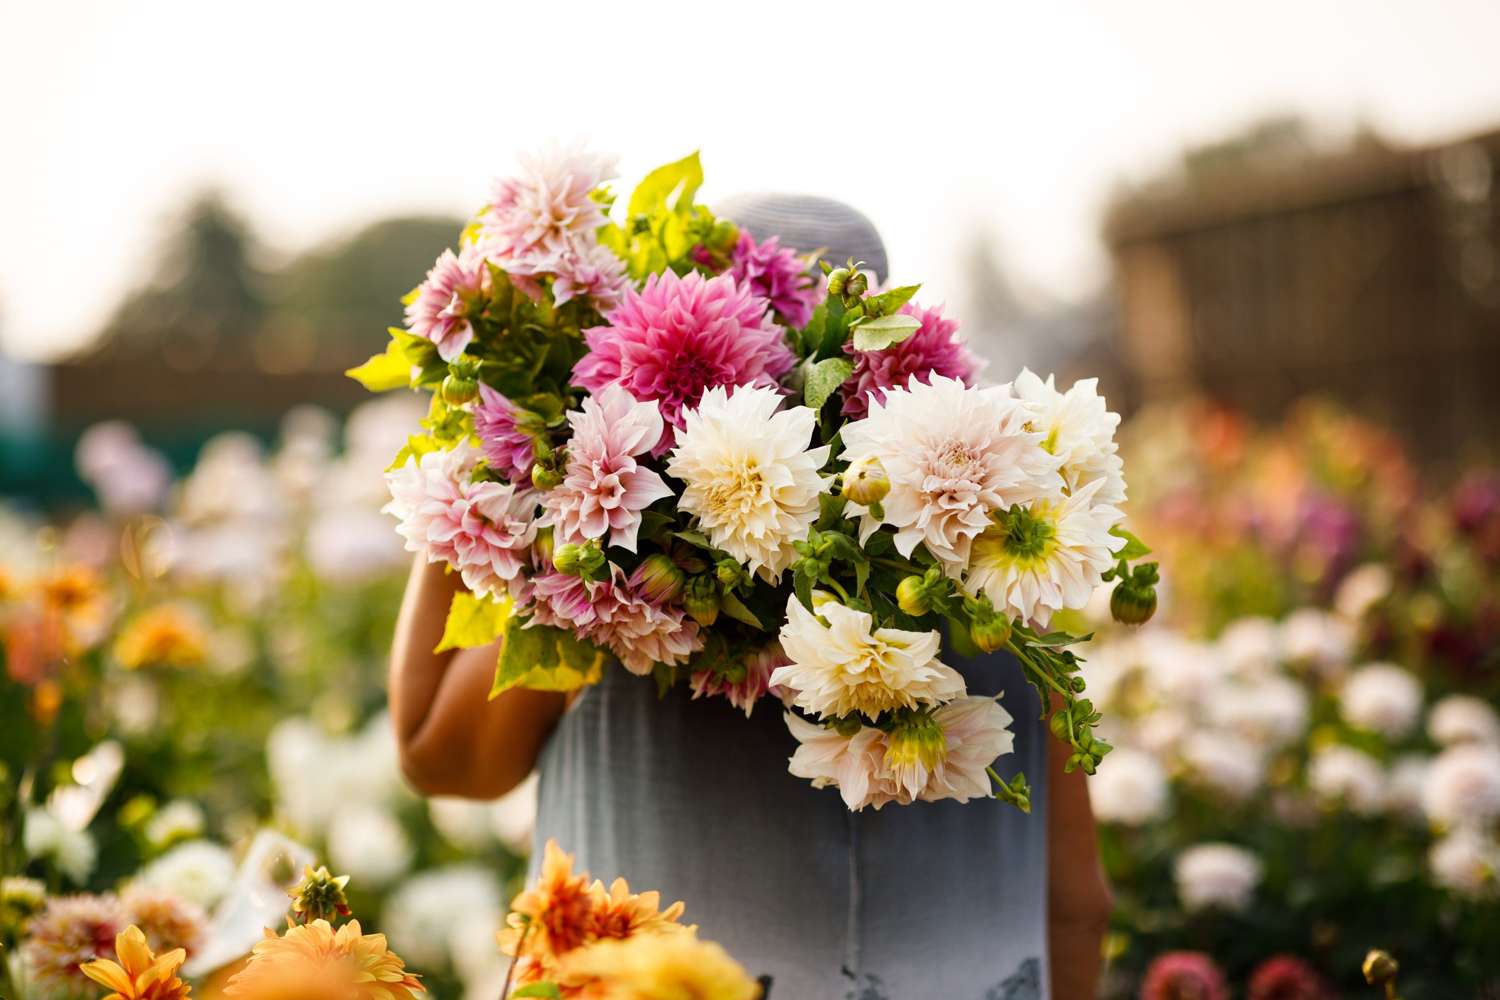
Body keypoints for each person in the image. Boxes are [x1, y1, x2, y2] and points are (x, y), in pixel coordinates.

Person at [389, 196, 1113, 1000]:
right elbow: (1078, 907)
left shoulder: (608, 590)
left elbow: (439, 756)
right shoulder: (1009, 600)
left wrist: (483, 487)